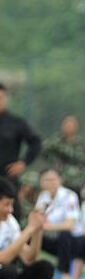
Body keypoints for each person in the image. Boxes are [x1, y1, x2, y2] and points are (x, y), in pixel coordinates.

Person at [0, 177, 55, 279]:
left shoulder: (10, 223)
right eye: (6, 204)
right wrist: (29, 229)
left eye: (11, 205)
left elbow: (29, 259)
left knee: (43, 268)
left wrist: (37, 230)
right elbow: (3, 258)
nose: (10, 210)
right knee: (8, 271)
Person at [34, 168, 84, 279]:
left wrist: (46, 226)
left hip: (74, 241)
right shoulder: (43, 196)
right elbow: (37, 218)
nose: (50, 183)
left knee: (64, 235)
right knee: (29, 234)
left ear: (60, 180)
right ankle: (30, 270)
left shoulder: (69, 196)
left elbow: (69, 225)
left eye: (53, 179)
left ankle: (65, 275)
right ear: (42, 182)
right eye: (47, 180)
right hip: (51, 237)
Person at [0, 83, 42, 221]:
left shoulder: (16, 122)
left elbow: (35, 142)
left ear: (5, 98)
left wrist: (24, 162)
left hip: (7, 176)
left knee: (11, 212)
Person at [41, 115, 85, 193]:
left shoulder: (80, 142)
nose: (68, 127)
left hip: (76, 179)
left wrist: (62, 149)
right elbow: (43, 150)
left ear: (76, 127)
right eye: (66, 125)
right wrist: (54, 160)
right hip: (58, 176)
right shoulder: (57, 139)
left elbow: (82, 158)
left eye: (71, 125)